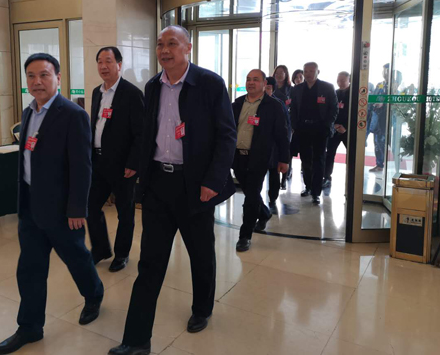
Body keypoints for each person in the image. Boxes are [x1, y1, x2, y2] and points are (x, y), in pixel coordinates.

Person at [108, 26, 236, 355]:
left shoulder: (209, 83)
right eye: (160, 44)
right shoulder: (153, 86)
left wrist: (213, 181)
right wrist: (140, 177)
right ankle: (136, 340)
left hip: (194, 185)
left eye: (172, 44)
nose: (165, 50)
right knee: (149, 264)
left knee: (201, 255)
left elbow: (226, 135)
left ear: (188, 48)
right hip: (158, 186)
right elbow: (147, 134)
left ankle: (202, 308)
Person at [0, 53, 104, 355]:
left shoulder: (72, 114)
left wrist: (77, 209)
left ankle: (94, 294)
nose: (37, 81)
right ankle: (30, 327)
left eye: (44, 75)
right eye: (31, 76)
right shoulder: (29, 112)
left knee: (76, 258)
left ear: (58, 78)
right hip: (31, 206)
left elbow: (82, 166)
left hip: (61, 208)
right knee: (30, 268)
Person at [87, 46, 144, 273]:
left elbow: (141, 133)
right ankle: (101, 248)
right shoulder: (96, 92)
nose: (103, 66)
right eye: (100, 61)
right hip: (98, 162)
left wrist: (134, 163)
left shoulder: (132, 94)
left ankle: (122, 254)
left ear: (119, 65)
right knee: (90, 206)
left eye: (108, 61)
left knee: (125, 211)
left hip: (123, 165)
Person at [232, 71, 289, 252]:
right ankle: (264, 213)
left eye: (255, 80)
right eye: (248, 79)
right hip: (237, 156)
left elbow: (282, 134)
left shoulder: (273, 106)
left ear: (265, 84)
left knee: (250, 197)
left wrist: (284, 159)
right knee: (251, 192)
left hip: (259, 157)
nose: (251, 83)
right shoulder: (237, 103)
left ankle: (245, 236)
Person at [289, 62, 338, 204]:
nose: (308, 74)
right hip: (303, 129)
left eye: (311, 71)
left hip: (320, 129)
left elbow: (334, 109)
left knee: (319, 160)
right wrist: (295, 126)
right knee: (305, 160)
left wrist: (327, 125)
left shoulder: (327, 87)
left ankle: (316, 192)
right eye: (306, 71)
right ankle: (308, 187)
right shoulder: (297, 89)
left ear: (318, 72)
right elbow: (293, 109)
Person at [263, 76, 291, 212]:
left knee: (274, 173)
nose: (265, 90)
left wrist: (284, 151)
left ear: (273, 89)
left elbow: (286, 128)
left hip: (274, 147)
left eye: (268, 88)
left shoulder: (278, 104)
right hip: (258, 148)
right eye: (264, 87)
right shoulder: (253, 103)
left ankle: (273, 199)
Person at [323, 72, 350, 189]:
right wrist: (333, 125)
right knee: (330, 153)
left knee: (352, 154)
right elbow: (330, 110)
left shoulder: (353, 94)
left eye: (343, 80)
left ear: (349, 80)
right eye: (338, 80)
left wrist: (346, 127)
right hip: (334, 128)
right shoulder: (335, 93)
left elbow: (355, 113)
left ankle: (351, 178)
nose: (340, 83)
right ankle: (326, 177)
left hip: (347, 130)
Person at [272, 65, 292, 188]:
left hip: (286, 123)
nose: (279, 75)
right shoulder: (271, 87)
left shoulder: (290, 89)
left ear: (286, 74)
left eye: (282, 73)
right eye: (277, 73)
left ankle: (284, 178)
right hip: (273, 122)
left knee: (285, 148)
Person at [369, 64, 390, 172]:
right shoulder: (380, 84)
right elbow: (373, 97)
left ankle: (388, 165)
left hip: (388, 118)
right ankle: (379, 164)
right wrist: (375, 103)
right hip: (377, 117)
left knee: (386, 143)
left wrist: (384, 103)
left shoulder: (395, 86)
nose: (385, 73)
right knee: (377, 142)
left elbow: (396, 101)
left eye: (387, 71)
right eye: (384, 71)